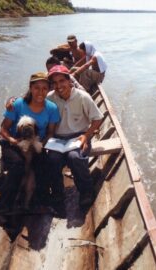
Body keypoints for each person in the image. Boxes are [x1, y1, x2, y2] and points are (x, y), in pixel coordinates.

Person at [0, 72, 60, 224]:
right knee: (18, 165)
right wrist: (12, 140)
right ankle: (2, 208)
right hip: (14, 143)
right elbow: (3, 128)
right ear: (30, 88)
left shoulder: (52, 108)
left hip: (36, 142)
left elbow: (50, 132)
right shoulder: (17, 104)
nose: (40, 92)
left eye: (44, 88)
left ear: (48, 89)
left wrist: (42, 143)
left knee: (44, 163)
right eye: (36, 88)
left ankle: (39, 201)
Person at [46, 65, 104, 212]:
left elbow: (97, 119)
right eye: (55, 83)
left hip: (79, 136)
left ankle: (86, 192)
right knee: (52, 160)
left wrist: (86, 135)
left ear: (70, 81)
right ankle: (57, 194)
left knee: (75, 158)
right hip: (58, 139)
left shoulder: (82, 97)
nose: (59, 86)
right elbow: (32, 105)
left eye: (62, 81)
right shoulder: (50, 98)